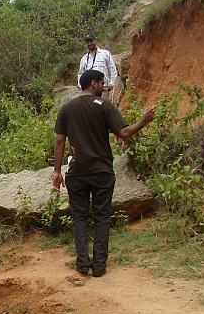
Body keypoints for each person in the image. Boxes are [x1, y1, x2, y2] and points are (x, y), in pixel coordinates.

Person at [52, 69, 155, 277]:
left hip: (77, 172)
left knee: (79, 218)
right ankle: (99, 266)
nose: (103, 87)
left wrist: (56, 171)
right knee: (101, 217)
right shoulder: (105, 106)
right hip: (102, 172)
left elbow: (60, 141)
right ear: (93, 84)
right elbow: (124, 133)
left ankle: (82, 263)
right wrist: (144, 120)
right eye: (101, 83)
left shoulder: (66, 108)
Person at [77, 33, 118, 100]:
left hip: (103, 88)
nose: (90, 43)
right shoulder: (84, 59)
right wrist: (82, 87)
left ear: (95, 41)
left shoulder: (105, 54)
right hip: (90, 90)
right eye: (87, 42)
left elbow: (112, 69)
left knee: (102, 107)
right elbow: (80, 74)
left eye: (91, 41)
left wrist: (111, 83)